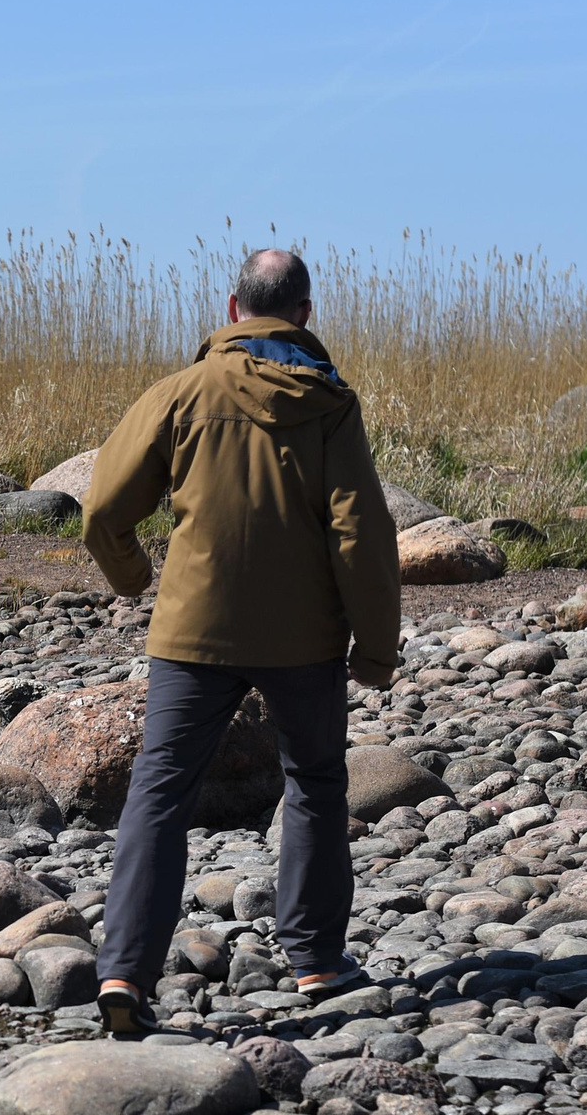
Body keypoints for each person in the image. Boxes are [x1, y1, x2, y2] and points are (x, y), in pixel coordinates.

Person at [81, 247, 400, 1035]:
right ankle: (316, 959)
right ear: (304, 314)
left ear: (232, 309)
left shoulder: (180, 393)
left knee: (160, 793)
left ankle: (124, 970)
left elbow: (103, 511)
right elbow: (361, 534)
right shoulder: (329, 403)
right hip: (304, 637)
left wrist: (132, 577)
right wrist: (375, 648)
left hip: (193, 630)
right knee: (315, 784)